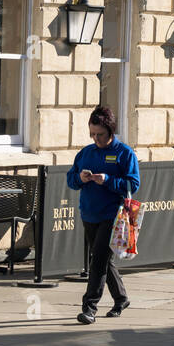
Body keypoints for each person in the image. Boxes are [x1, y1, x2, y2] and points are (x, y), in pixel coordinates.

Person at [67, 105, 140, 325]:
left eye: (100, 134)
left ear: (110, 131)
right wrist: (81, 177)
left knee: (97, 260)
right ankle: (121, 298)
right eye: (92, 134)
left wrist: (107, 180)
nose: (96, 138)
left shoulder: (124, 153)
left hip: (114, 215)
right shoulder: (86, 153)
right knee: (103, 260)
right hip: (89, 213)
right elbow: (71, 180)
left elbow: (132, 184)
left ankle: (89, 307)